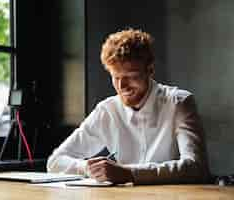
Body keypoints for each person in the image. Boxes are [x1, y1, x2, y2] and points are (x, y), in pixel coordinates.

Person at [47, 28, 210, 185]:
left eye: (130, 76)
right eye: (115, 77)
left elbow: (196, 167)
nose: (121, 86)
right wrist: (88, 168)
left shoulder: (179, 103)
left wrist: (129, 173)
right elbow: (55, 162)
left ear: (150, 70)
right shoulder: (107, 111)